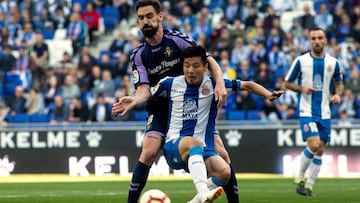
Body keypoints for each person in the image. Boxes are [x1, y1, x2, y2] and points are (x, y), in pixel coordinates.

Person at [119, 45, 283, 202]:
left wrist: (268, 95)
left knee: (224, 172)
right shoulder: (170, 83)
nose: (190, 71)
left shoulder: (213, 85)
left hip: (202, 149)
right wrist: (133, 100)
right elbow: (148, 93)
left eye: (196, 66)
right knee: (193, 143)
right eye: (187, 65)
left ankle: (195, 201)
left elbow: (247, 85)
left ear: (205, 67)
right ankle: (204, 192)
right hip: (175, 146)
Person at [111, 1, 235, 203]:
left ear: (160, 17)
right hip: (160, 108)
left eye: (149, 16)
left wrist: (219, 83)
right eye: (141, 18)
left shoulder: (177, 40)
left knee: (222, 154)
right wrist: (133, 100)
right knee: (149, 151)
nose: (145, 21)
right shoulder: (139, 55)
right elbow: (144, 90)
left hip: (188, 105)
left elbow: (208, 59)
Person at [284, 27, 344, 196]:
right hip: (306, 110)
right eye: (313, 38)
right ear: (309, 41)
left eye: (320, 38)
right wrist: (301, 88)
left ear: (325, 41)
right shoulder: (301, 61)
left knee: (320, 150)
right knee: (314, 144)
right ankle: (300, 176)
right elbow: (287, 83)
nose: (316, 41)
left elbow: (339, 84)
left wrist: (337, 95)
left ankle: (308, 187)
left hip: (325, 112)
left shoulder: (333, 63)